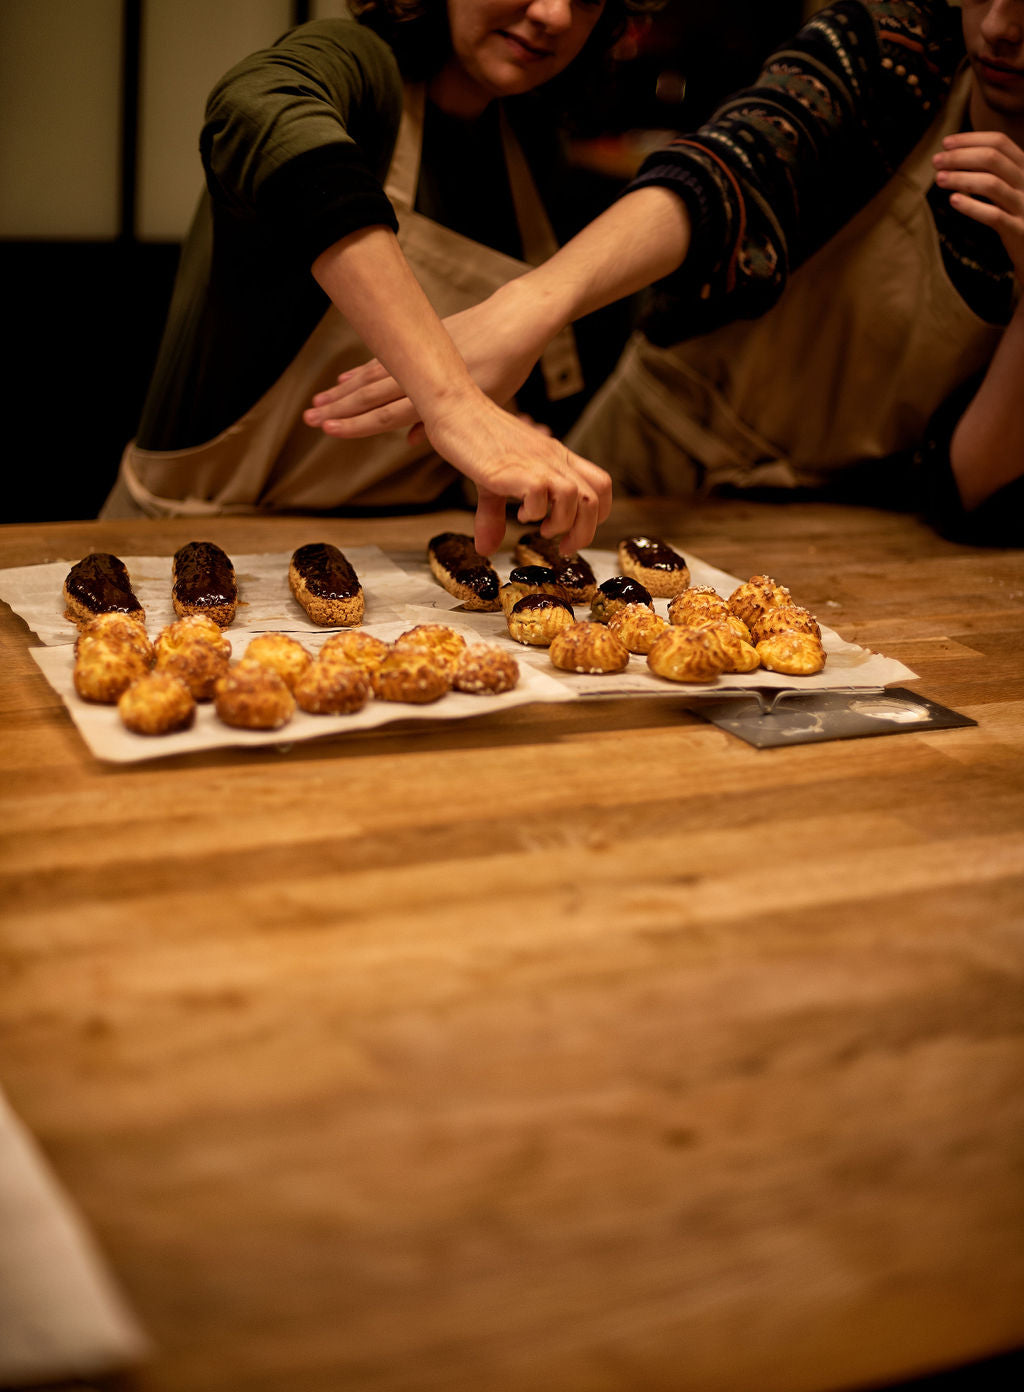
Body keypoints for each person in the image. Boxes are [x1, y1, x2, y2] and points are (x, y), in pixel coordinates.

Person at [310, 0, 1024, 545]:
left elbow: (964, 489)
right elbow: (736, 161)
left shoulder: (526, 128)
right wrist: (526, 308)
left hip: (851, 526)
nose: (999, 27)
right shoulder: (902, 47)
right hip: (655, 447)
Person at [102, 1, 661, 555]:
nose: (554, 15)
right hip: (202, 541)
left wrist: (503, 434)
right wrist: (453, 402)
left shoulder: (528, 140)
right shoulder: (360, 68)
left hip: (408, 553)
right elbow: (257, 103)